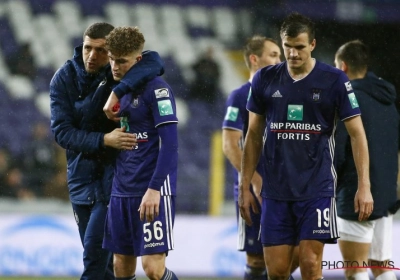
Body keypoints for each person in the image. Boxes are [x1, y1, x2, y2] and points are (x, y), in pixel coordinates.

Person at [238, 13, 374, 280]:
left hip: (317, 188)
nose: (292, 53)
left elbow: (357, 134)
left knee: (311, 265)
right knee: (277, 272)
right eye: (287, 46)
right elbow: (253, 134)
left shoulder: (334, 80)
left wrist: (364, 186)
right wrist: (245, 185)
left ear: (312, 44)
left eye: (299, 47)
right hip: (275, 191)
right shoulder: (264, 79)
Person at [50, 22, 164, 280]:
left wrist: (119, 91)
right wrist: (104, 140)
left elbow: (154, 61)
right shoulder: (64, 77)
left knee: (94, 258)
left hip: (113, 178)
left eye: (101, 51)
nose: (92, 56)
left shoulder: (118, 71)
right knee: (105, 266)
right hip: (80, 178)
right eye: (87, 48)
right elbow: (61, 132)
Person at [102, 26, 179, 280]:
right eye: (112, 58)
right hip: (122, 188)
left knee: (153, 270)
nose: (114, 65)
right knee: (121, 268)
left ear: (138, 60)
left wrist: (155, 188)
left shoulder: (158, 90)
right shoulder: (121, 91)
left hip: (152, 189)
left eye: (121, 61)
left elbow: (170, 144)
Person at [334, 40, 399, 280]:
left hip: (356, 194)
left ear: (343, 67)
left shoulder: (348, 99)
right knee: (381, 266)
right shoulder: (388, 100)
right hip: (386, 196)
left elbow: (340, 149)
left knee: (355, 268)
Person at [222, 35, 283, 280]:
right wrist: (253, 179)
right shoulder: (240, 95)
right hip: (255, 191)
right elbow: (229, 144)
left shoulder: (286, 94)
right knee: (256, 258)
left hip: (287, 188)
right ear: (254, 59)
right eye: (274, 55)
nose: (280, 60)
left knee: (290, 255)